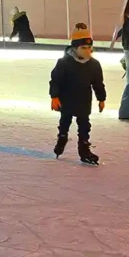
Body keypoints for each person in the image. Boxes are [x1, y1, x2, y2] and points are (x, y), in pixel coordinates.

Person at [49, 26, 105, 165]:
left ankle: (84, 149)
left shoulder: (94, 65)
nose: (87, 51)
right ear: (75, 48)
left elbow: (98, 83)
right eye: (83, 48)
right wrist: (54, 97)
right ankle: (62, 138)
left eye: (89, 48)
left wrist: (101, 98)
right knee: (65, 122)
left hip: (84, 100)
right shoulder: (64, 63)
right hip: (66, 99)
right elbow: (55, 81)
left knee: (84, 125)